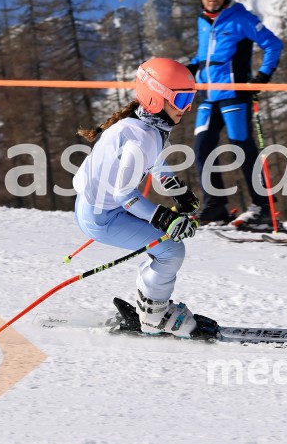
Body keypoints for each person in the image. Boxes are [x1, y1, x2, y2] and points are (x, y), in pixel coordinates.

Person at [73, 58, 202, 337]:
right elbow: (124, 195)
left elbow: (156, 165)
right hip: (103, 217)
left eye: (191, 98)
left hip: (99, 207)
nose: (188, 108)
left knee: (165, 247)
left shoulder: (147, 125)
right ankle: (154, 316)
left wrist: (178, 192)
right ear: (157, 98)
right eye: (182, 99)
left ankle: (152, 306)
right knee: (170, 251)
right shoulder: (140, 138)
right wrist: (164, 218)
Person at [188, 0, 284, 231]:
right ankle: (215, 206)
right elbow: (203, 57)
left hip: (233, 95)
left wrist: (262, 76)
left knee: (243, 149)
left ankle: (263, 207)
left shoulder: (241, 18)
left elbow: (273, 44)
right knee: (202, 147)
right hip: (209, 96)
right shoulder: (203, 21)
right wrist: (188, 69)